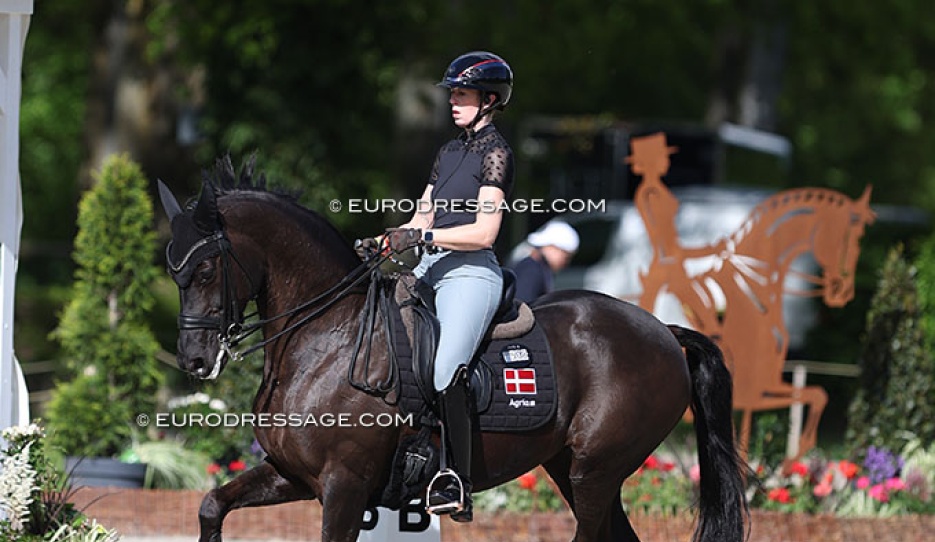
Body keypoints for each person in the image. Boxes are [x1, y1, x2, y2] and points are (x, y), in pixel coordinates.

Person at [379, 51, 514, 522]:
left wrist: (425, 236)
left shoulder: (496, 153)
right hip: (430, 267)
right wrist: (388, 239)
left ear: (489, 100)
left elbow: (484, 232)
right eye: (452, 93)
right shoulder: (448, 152)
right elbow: (422, 215)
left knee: (443, 370)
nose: (453, 101)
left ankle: (456, 479)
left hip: (470, 272)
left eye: (462, 94)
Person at [510, 221, 579, 303]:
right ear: (552, 247)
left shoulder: (539, 267)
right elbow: (521, 305)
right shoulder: (531, 270)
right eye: (565, 256)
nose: (566, 262)